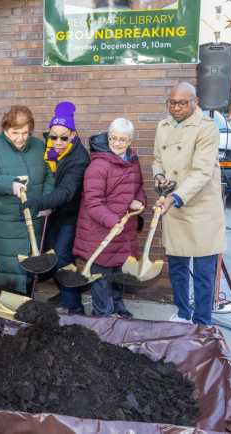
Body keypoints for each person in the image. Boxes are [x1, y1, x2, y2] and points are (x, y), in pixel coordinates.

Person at [153, 82, 226, 325]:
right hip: (174, 208)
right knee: (177, 267)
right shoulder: (162, 126)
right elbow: (157, 159)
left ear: (195, 102)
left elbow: (202, 172)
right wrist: (159, 176)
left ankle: (203, 321)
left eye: (182, 103)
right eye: (172, 102)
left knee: (204, 272)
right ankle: (183, 314)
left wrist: (175, 197)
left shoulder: (207, 129)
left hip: (201, 209)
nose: (176, 108)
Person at [73, 118, 146, 317]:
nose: (117, 143)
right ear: (108, 137)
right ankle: (103, 316)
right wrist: (113, 221)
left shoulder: (132, 161)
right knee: (101, 276)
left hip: (124, 230)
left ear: (130, 141)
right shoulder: (98, 166)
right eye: (113, 138)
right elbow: (93, 203)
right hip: (100, 231)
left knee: (118, 273)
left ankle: (118, 308)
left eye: (122, 140)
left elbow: (138, 187)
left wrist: (139, 201)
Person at [21, 101, 90, 313]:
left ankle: (74, 306)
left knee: (61, 256)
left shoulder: (78, 158)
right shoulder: (48, 149)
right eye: (54, 136)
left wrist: (36, 203)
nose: (58, 142)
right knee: (50, 254)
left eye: (64, 137)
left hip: (69, 213)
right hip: (51, 211)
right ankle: (64, 293)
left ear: (74, 135)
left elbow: (66, 192)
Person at [0, 105, 54, 294]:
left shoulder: (40, 147)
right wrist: (9, 184)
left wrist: (46, 201)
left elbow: (50, 175)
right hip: (3, 221)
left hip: (33, 218)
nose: (20, 138)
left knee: (29, 265)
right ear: (5, 129)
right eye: (15, 133)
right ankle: (4, 307)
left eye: (25, 133)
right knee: (6, 269)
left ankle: (25, 306)